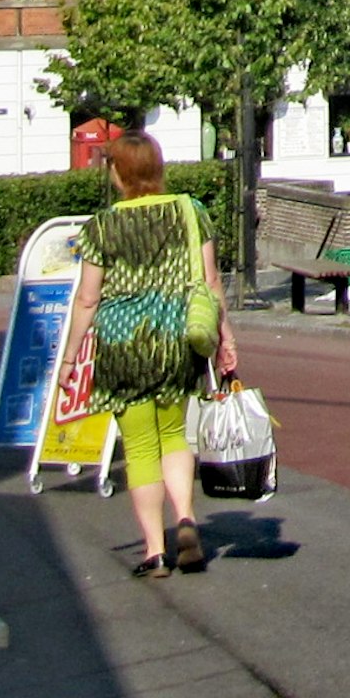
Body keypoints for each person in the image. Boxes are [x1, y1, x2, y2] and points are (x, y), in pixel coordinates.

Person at [57, 133, 234, 577]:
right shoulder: (190, 212)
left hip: (121, 345)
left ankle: (155, 551)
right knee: (174, 435)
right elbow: (211, 284)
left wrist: (70, 358)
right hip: (176, 338)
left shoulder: (101, 226)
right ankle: (187, 519)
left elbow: (87, 299)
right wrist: (225, 339)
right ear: (157, 169)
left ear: (118, 173)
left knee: (138, 447)